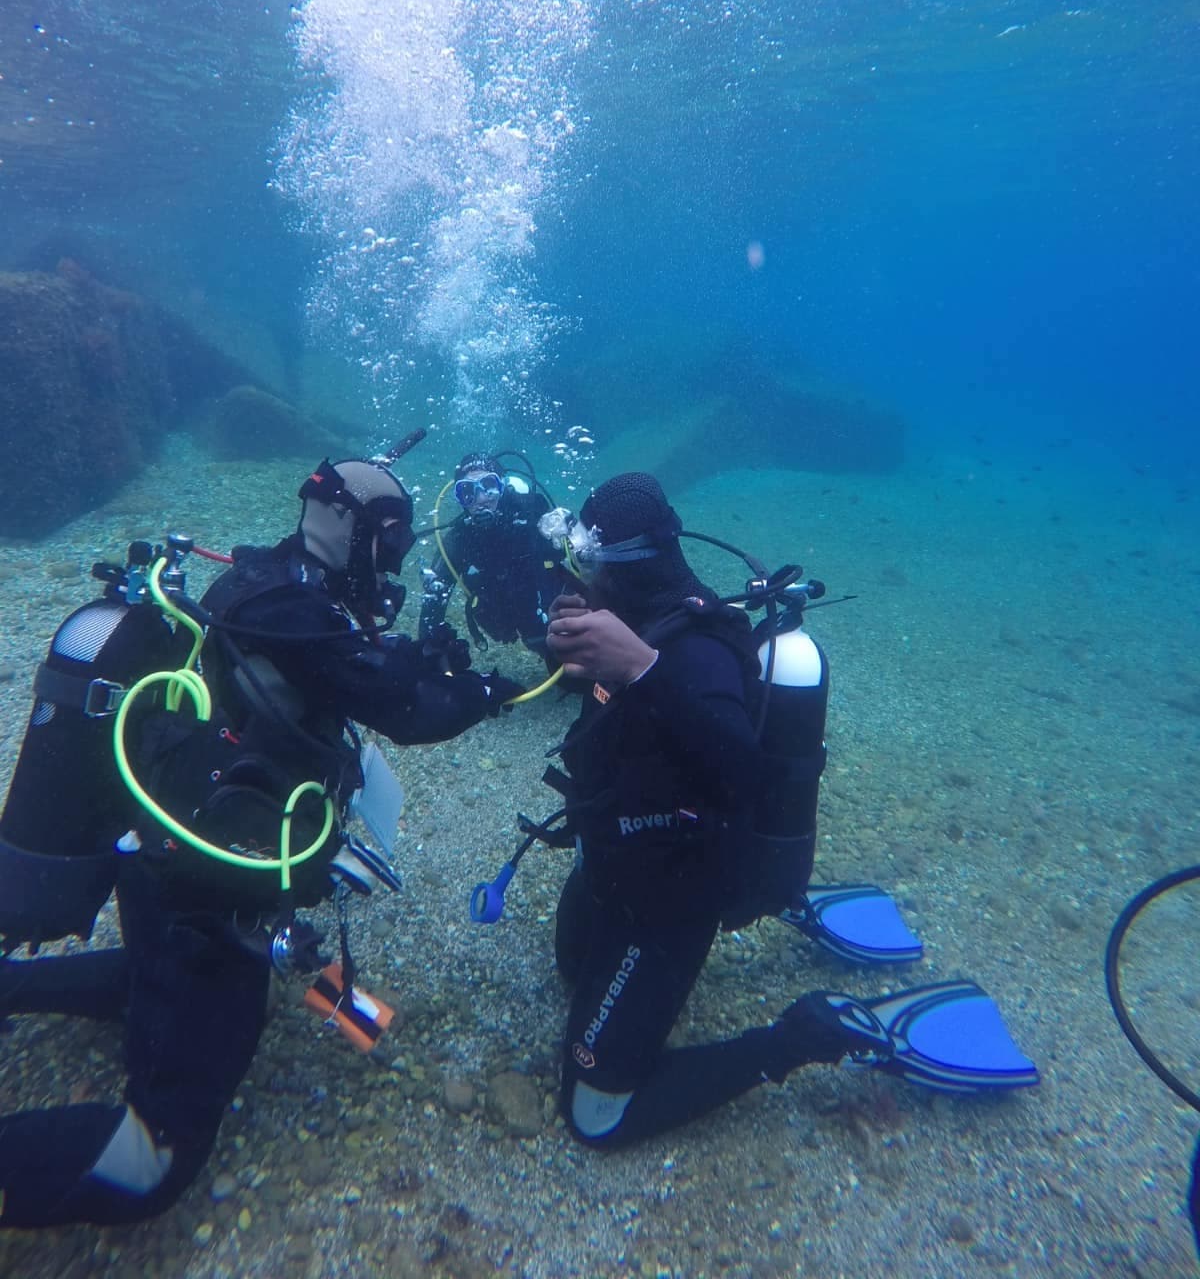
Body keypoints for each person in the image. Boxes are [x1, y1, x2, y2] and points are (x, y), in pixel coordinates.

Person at [0, 451, 521, 1229]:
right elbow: (409, 712)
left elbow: (345, 672)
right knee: (157, 1159)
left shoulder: (266, 576)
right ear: (352, 530)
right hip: (206, 891)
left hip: (167, 855)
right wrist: (481, 691)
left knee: (158, 978)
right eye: (392, 541)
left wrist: (413, 659)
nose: (398, 558)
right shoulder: (301, 614)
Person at [543, 472, 1037, 1149]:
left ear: (615, 563)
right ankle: (784, 896)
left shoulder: (692, 650)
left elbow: (746, 772)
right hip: (618, 861)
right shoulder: (637, 620)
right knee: (570, 969)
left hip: (669, 899)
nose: (578, 574)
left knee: (595, 1117)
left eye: (584, 560)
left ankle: (806, 1034)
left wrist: (641, 670)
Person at [418, 451, 571, 668]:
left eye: (488, 486)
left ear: (502, 487)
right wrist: (430, 653)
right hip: (507, 619)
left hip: (548, 616)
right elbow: (433, 601)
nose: (481, 499)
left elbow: (575, 568)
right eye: (467, 492)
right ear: (460, 500)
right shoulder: (460, 538)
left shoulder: (532, 516)